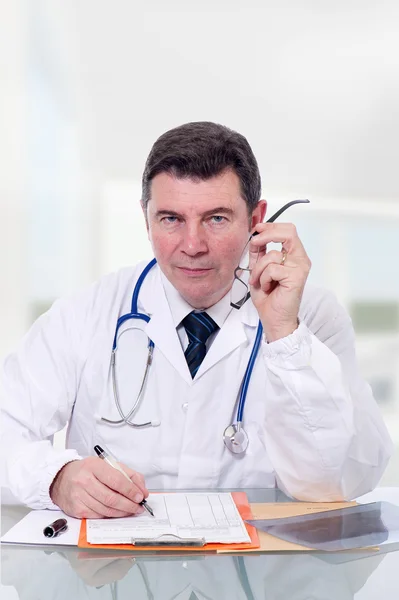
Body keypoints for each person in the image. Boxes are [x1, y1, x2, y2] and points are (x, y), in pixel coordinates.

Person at [0, 121, 393, 518]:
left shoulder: (310, 316)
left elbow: (338, 484)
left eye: (216, 219)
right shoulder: (86, 313)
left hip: (257, 574)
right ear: (146, 217)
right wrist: (57, 478)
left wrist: (284, 337)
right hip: (114, 573)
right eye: (170, 219)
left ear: (256, 218)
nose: (192, 246)